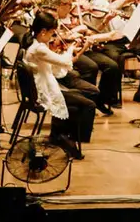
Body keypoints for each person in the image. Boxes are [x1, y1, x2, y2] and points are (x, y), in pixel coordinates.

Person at [22, 10, 98, 160]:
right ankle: (71, 139)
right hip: (44, 91)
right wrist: (71, 47)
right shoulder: (39, 48)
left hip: (44, 86)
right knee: (89, 105)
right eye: (52, 33)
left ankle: (61, 136)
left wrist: (71, 50)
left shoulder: (35, 44)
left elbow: (57, 66)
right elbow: (64, 62)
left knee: (79, 101)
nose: (53, 37)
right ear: (43, 32)